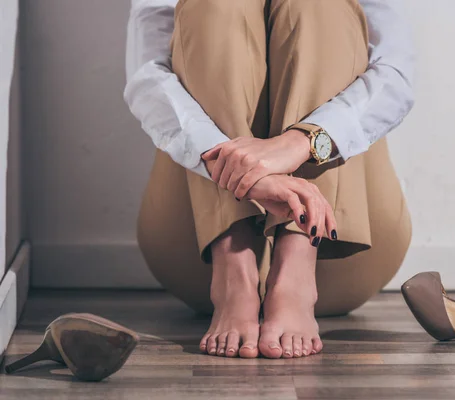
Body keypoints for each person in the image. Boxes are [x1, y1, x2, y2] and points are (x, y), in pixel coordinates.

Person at [124, 0, 414, 359]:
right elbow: (146, 76)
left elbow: (396, 74)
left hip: (341, 252)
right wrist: (237, 169)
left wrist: (301, 142)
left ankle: (297, 263)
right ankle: (234, 265)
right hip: (196, 254)